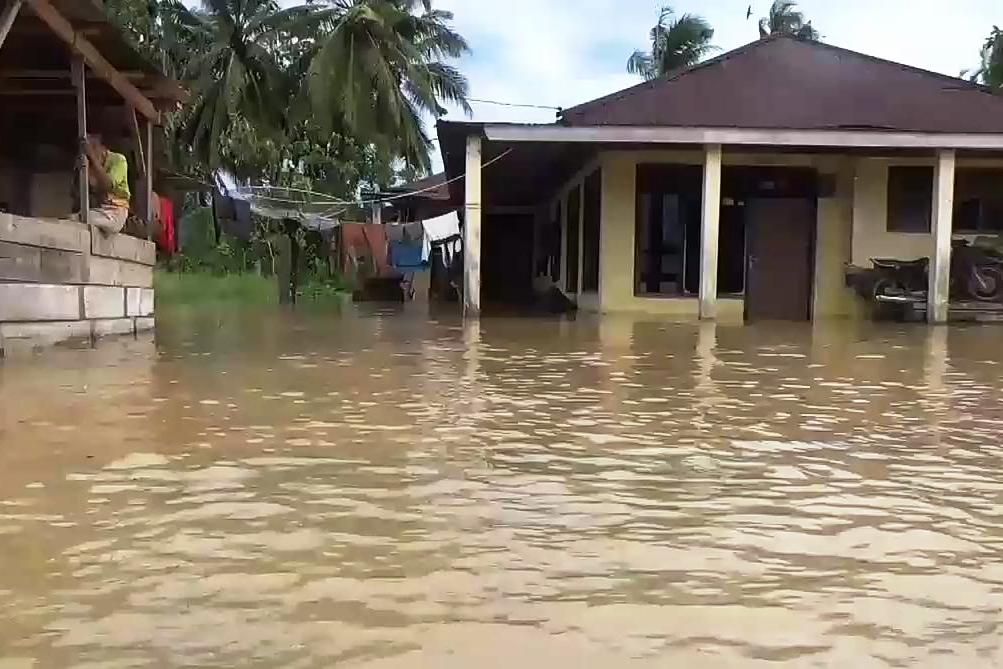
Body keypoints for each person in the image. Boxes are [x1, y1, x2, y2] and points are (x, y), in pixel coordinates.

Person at [81, 131, 130, 234]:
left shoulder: (118, 160)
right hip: (100, 211)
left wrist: (93, 157)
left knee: (83, 220)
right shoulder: (89, 166)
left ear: (101, 147)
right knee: (73, 219)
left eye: (93, 147)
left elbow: (109, 185)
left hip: (116, 212)